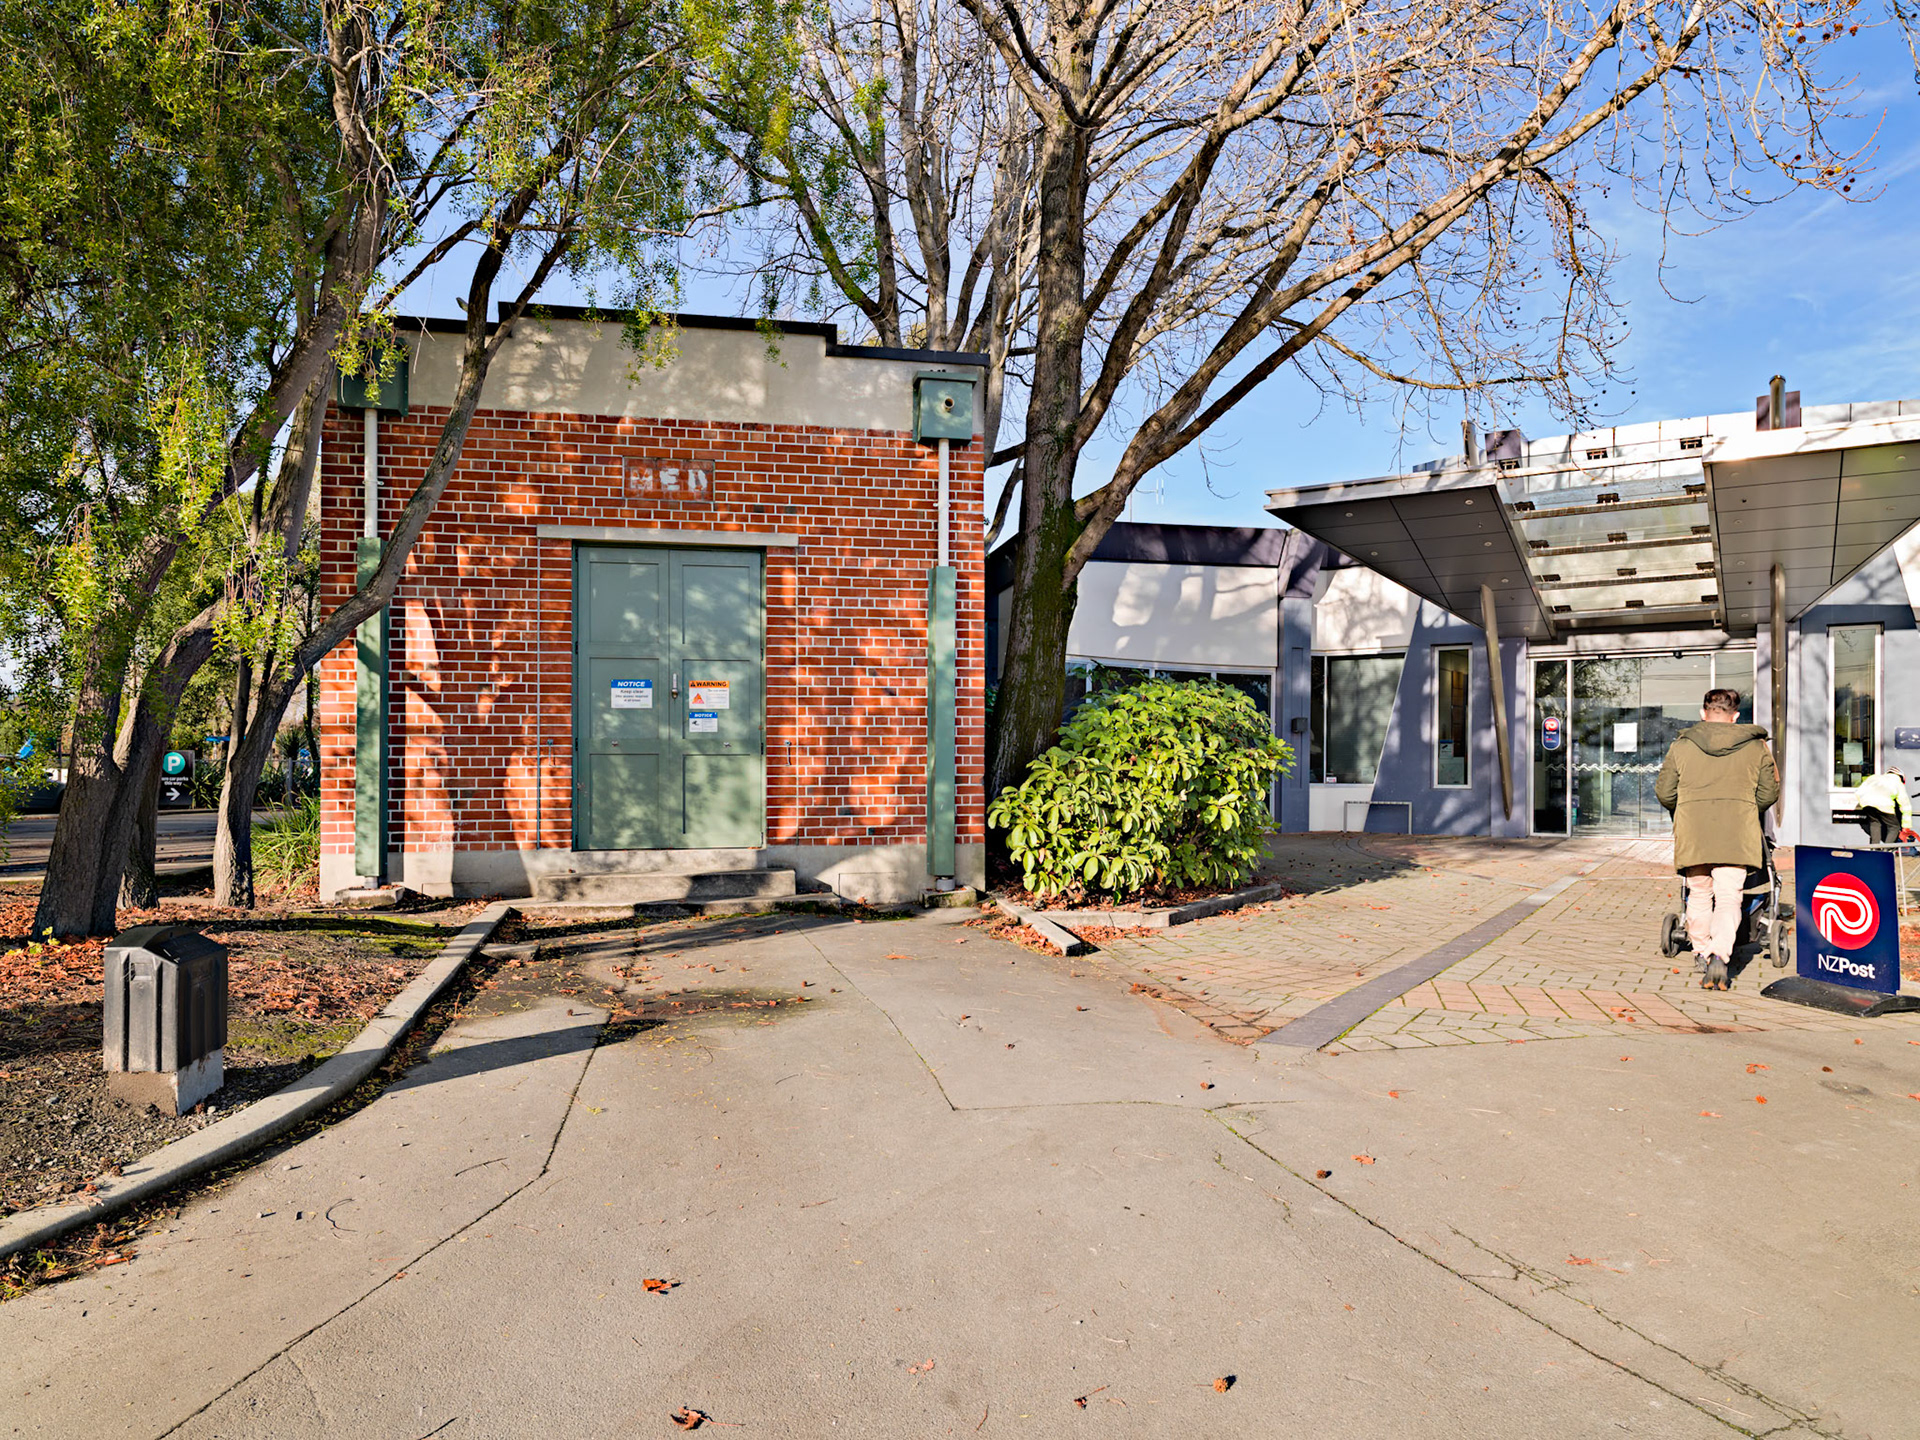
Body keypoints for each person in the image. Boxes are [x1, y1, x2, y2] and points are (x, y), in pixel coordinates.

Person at [1653, 688, 1781, 991]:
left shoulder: (1682, 746)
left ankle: (1700, 950)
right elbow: (1768, 794)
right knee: (1728, 896)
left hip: (1694, 832)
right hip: (1737, 833)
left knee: (1698, 893)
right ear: (1735, 716)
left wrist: (1686, 809)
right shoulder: (1756, 747)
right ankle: (1720, 954)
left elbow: (1664, 792)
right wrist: (1745, 810)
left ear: (1702, 713)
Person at [1851, 767, 1915, 845]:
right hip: (1884, 805)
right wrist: (1906, 826)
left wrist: (1864, 802)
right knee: (1894, 827)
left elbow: (1858, 791)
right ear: (1901, 777)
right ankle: (1886, 851)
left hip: (1867, 805)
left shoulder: (1873, 778)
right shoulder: (1897, 782)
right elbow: (1905, 806)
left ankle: (1874, 850)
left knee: (1875, 824)